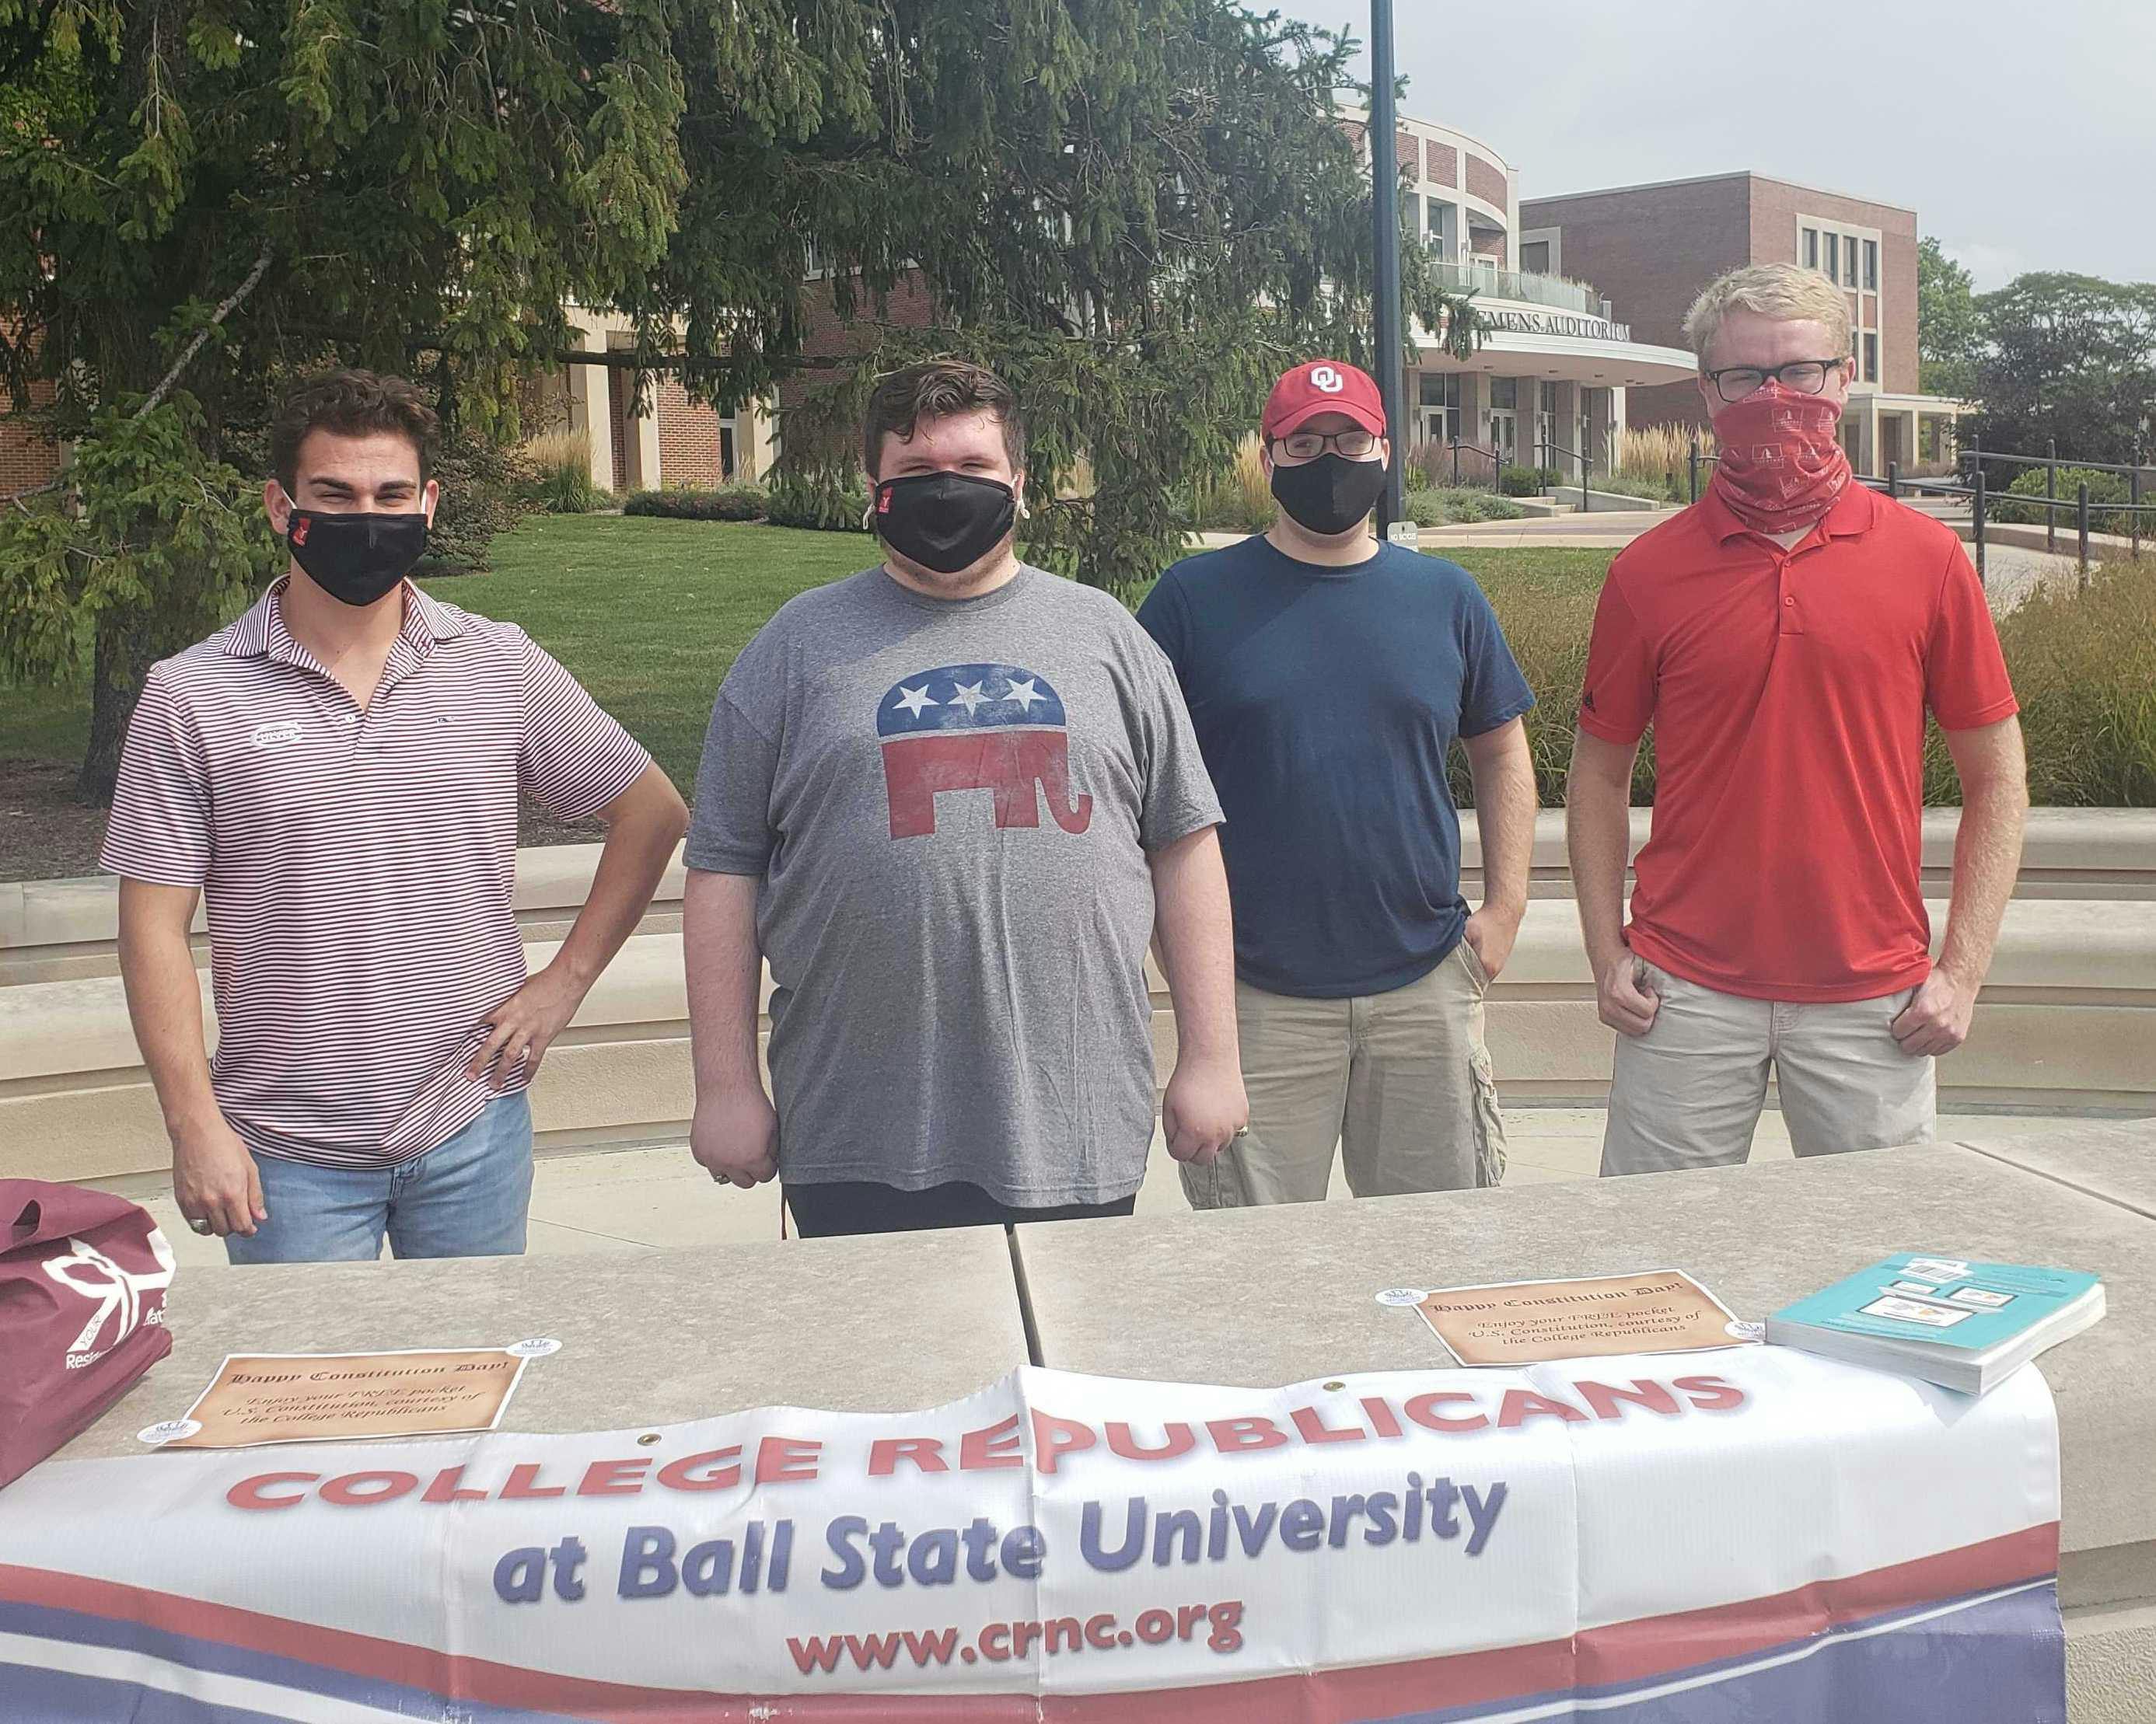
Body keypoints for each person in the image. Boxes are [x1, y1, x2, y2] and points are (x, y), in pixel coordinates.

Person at [103, 368, 688, 1262]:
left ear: (428, 504)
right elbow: (152, 926)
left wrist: (563, 984)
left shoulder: (497, 664)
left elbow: (650, 812)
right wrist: (194, 1125)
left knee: (475, 1357)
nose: (365, 517)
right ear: (281, 506)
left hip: (471, 1125)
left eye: (390, 495)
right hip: (284, 1154)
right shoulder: (192, 695)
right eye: (334, 495)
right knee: (308, 1364)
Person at [682, 359, 1244, 1236]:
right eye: (916, 470)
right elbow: (723, 868)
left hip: (1075, 1115)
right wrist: (724, 1084)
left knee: (1073, 1331)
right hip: (855, 1123)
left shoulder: (1109, 639)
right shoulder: (792, 649)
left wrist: (1212, 1056)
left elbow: (1184, 845)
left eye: (974, 467)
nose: (946, 489)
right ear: (874, 490)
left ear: (1019, 485)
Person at [1568, 263, 2027, 1175]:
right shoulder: (1646, 574)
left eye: (1798, 371)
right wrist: (1602, 950)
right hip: (1682, 991)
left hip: (1873, 995)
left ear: (1843, 378)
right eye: (1744, 375)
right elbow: (1597, 773)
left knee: (1877, 1249)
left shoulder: (1928, 560)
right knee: (1655, 1248)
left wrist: (1963, 971)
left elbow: (1998, 777)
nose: (1773, 397)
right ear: (1708, 391)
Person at [1137, 359, 1537, 1207]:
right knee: (1259, 1260)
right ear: (1267, 457)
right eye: (1304, 443)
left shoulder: (1445, 597)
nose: (1329, 460)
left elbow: (1502, 749)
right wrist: (1181, 969)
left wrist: (1505, 909)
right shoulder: (1191, 600)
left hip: (1423, 982)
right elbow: (1140, 784)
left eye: (1349, 441)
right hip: (1254, 996)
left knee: (1440, 1246)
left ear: (1384, 450)